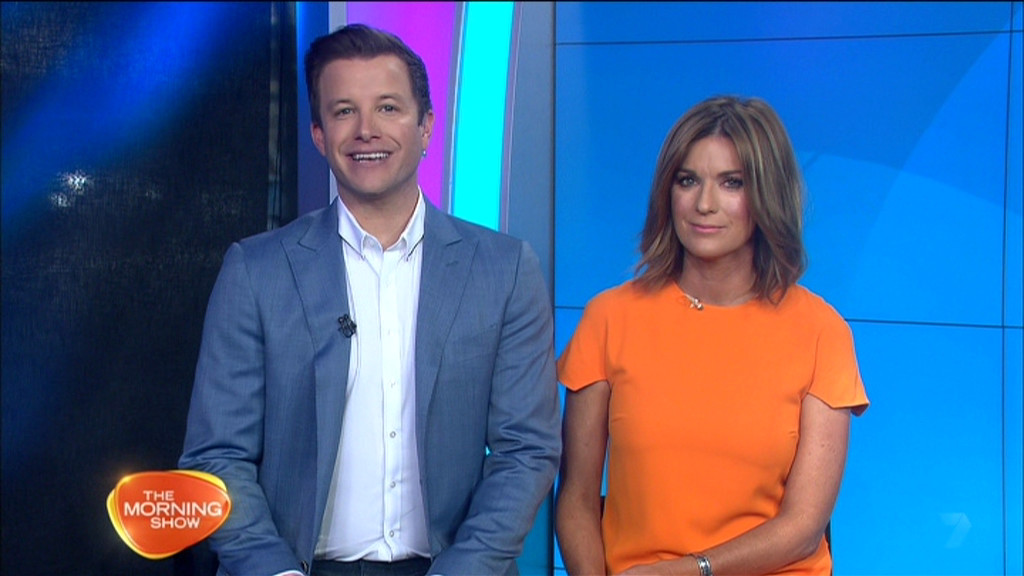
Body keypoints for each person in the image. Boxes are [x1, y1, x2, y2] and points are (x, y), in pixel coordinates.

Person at [179, 23, 561, 576]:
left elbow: (526, 449)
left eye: (387, 108)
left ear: (426, 126)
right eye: (343, 112)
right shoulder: (256, 271)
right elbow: (217, 456)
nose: (366, 130)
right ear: (318, 134)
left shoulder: (504, 269)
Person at [554, 95, 869, 576]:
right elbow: (576, 499)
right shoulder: (609, 318)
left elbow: (804, 527)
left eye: (731, 183)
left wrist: (689, 570)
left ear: (766, 195)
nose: (704, 204)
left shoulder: (821, 331)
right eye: (688, 181)